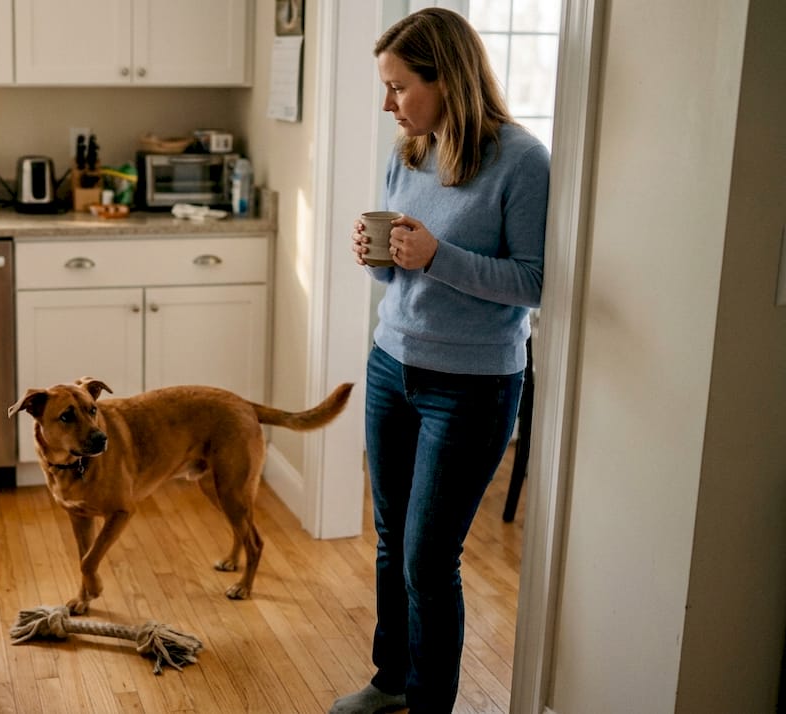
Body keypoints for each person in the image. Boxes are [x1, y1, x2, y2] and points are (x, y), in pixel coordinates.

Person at [331, 8, 550, 714]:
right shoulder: (408, 153)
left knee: (428, 559)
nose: (388, 104)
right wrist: (378, 258)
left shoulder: (522, 161)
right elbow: (403, 275)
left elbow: (533, 282)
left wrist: (436, 256)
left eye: (399, 87)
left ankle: (429, 703)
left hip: (473, 387)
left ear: (447, 79)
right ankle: (391, 679)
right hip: (390, 364)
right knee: (391, 540)